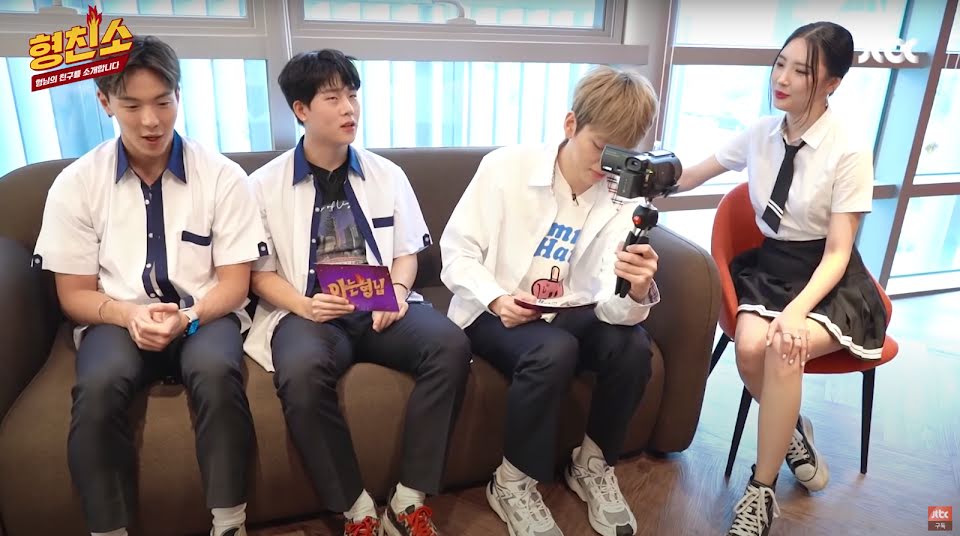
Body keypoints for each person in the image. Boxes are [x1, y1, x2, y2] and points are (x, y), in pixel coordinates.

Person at [33, 36, 267, 536]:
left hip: (203, 313)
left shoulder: (223, 177)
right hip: (118, 317)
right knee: (97, 387)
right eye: (132, 105)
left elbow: (235, 284)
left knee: (217, 374)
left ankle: (230, 523)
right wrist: (128, 315)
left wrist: (188, 316)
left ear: (179, 96)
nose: (151, 121)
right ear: (104, 102)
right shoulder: (77, 183)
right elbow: (73, 293)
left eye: (163, 102)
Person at [243, 49, 471, 536]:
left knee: (450, 345)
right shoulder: (262, 185)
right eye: (332, 98)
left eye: (352, 95)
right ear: (301, 110)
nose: (349, 108)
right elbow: (258, 274)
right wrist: (303, 305)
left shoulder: (387, 175)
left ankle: (408, 500)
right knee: (301, 374)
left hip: (381, 304)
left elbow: (407, 253)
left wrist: (399, 291)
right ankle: (356, 507)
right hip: (309, 311)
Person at [675, 21, 887, 536]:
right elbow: (691, 175)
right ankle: (792, 431)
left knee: (784, 347)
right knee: (750, 348)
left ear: (832, 83)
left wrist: (795, 312)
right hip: (771, 267)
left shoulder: (849, 150)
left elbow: (838, 253)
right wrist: (639, 173)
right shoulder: (761, 133)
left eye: (802, 71)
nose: (783, 79)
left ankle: (761, 490)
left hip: (827, 279)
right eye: (780, 64)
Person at [439, 65, 661, 536]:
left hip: (571, 311)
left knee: (633, 347)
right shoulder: (505, 168)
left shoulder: (623, 196)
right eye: (600, 147)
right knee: (553, 350)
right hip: (493, 308)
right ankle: (511, 482)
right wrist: (497, 298)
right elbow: (457, 254)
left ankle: (592, 464)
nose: (607, 166)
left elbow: (611, 308)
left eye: (621, 157)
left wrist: (636, 290)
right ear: (570, 124)